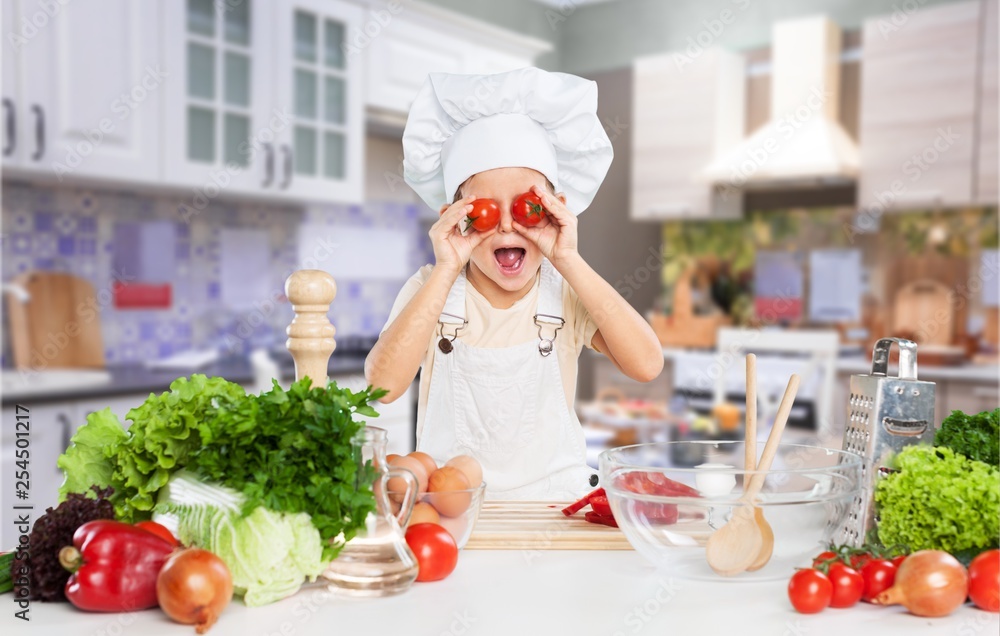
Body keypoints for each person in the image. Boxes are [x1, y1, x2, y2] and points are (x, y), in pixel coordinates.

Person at [365, 67, 663, 500]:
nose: (506, 226)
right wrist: (447, 267)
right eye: (484, 211)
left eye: (527, 209)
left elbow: (646, 364)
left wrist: (569, 258)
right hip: (455, 516)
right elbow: (382, 388)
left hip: (554, 511)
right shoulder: (432, 287)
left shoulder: (564, 289)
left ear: (556, 208)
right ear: (455, 217)